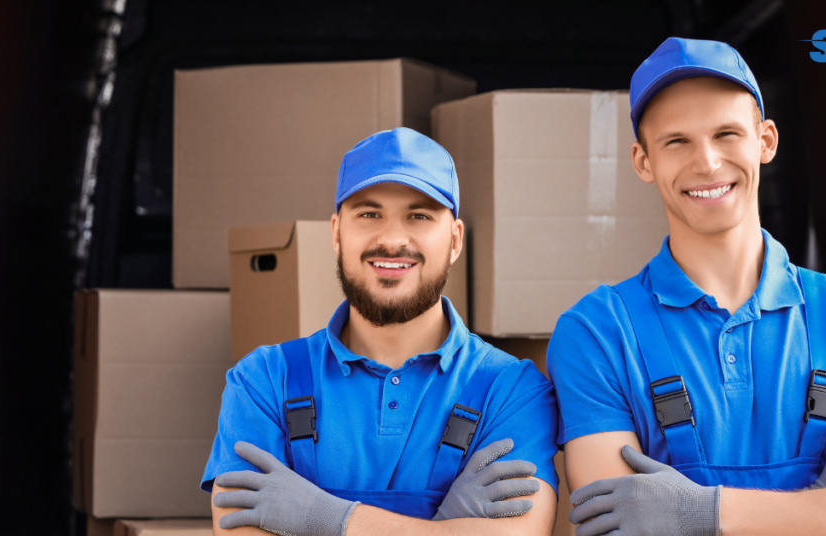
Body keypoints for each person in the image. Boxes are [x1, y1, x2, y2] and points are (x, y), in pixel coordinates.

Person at [548, 37, 826, 536]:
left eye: (727, 133)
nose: (707, 163)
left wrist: (698, 513)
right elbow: (619, 527)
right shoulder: (597, 333)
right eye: (677, 141)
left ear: (766, 141)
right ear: (643, 161)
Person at [201, 127, 559, 536]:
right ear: (336, 233)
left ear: (455, 240)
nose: (391, 239)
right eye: (369, 214)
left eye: (419, 215)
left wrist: (323, 516)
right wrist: (443, 527)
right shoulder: (263, 381)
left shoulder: (513, 392)